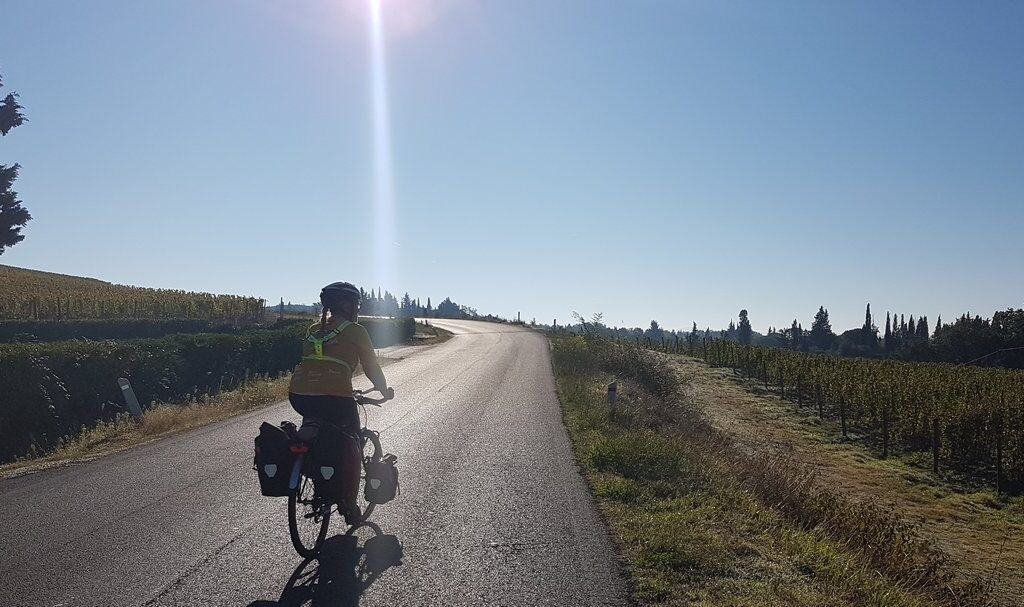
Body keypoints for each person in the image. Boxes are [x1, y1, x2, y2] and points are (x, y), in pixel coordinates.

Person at [288, 281, 393, 522]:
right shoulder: (356, 331)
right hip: (336, 397)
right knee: (352, 443)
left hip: (299, 395)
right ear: (346, 305)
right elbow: (371, 366)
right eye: (356, 303)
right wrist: (384, 390)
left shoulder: (314, 329)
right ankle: (348, 505)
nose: (357, 308)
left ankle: (313, 469)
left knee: (315, 433)